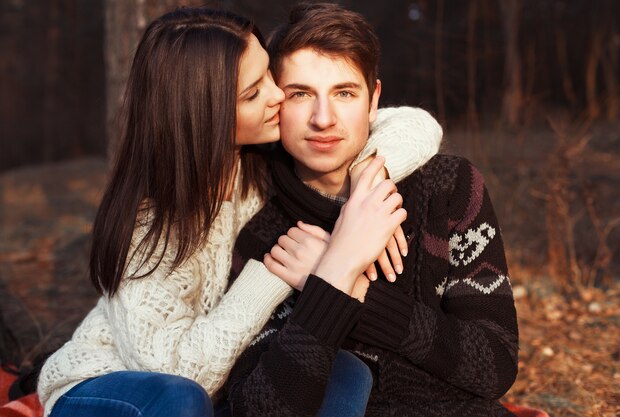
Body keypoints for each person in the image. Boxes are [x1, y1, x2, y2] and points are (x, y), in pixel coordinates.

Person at [36, 6, 443, 417]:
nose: (277, 95)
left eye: (267, 74)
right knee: (181, 399)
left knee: (344, 372)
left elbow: (415, 125)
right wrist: (271, 271)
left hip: (214, 389)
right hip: (108, 387)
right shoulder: (148, 226)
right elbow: (180, 373)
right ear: (205, 115)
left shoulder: (259, 165)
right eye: (253, 93)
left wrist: (366, 183)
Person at [224, 3, 519, 416]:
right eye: (301, 94)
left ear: (373, 99)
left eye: (344, 93)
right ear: (275, 102)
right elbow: (260, 407)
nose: (323, 119)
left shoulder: (449, 189)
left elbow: (493, 365)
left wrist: (345, 289)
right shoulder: (259, 229)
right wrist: (335, 276)